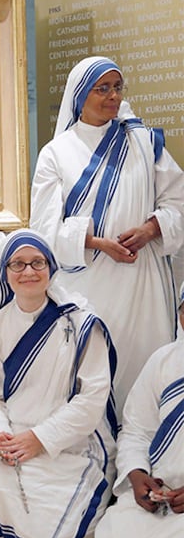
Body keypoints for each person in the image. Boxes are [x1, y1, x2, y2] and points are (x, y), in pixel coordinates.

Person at [30, 56, 184, 417]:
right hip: (87, 284)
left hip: (142, 280)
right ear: (81, 95)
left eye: (117, 88)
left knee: (143, 369)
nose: (113, 96)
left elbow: (178, 201)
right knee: (91, 374)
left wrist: (151, 229)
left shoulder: (145, 143)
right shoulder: (56, 153)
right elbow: (43, 228)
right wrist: (97, 243)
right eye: (103, 89)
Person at [0, 229, 117, 538]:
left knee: (52, 533)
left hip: (71, 448)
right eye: (18, 264)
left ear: (51, 267)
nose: (29, 272)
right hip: (9, 445)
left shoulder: (82, 324)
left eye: (37, 262)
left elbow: (92, 399)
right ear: (4, 273)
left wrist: (40, 439)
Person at [94, 282, 184, 538]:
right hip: (159, 498)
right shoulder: (163, 361)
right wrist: (136, 473)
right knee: (116, 536)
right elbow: (136, 430)